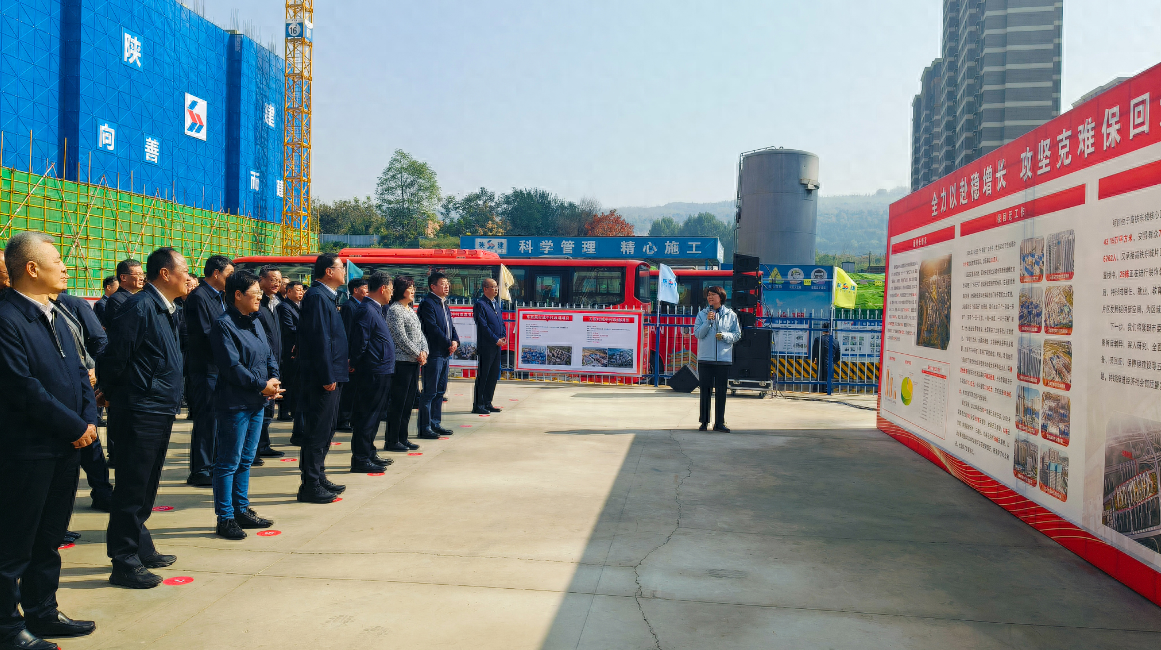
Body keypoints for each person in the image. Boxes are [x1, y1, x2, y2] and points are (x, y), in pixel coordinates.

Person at [0, 232, 99, 648]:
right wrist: (74, 427)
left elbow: (79, 373)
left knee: (49, 537)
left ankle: (42, 611)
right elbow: (22, 387)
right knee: (15, 544)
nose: (65, 267)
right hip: (29, 449)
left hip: (66, 446)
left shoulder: (56, 313)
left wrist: (89, 421)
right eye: (57, 260)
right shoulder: (7, 318)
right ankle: (7, 628)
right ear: (31, 268)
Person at [100, 247, 190, 589]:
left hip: (158, 407)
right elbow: (115, 356)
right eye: (184, 270)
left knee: (147, 485)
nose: (188, 276)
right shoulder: (139, 307)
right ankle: (123, 561)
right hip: (140, 409)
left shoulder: (165, 308)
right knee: (132, 487)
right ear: (165, 273)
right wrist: (111, 392)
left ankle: (139, 546)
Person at [209, 271, 282, 539]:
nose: (260, 297)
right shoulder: (223, 325)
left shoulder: (255, 320)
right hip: (235, 403)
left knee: (246, 459)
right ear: (238, 295)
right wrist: (261, 384)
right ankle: (225, 517)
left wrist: (273, 380)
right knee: (229, 461)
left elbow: (268, 354)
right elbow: (231, 366)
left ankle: (241, 509)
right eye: (256, 293)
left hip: (256, 401)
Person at [51, 291, 113, 512]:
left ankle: (102, 492)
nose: (65, 274)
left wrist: (95, 369)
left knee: (89, 441)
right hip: (52, 393)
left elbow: (96, 340)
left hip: (80, 386)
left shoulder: (67, 305)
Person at [295, 254, 348, 503]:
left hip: (333, 373)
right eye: (341, 267)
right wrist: (327, 374)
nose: (344, 272)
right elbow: (320, 339)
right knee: (317, 431)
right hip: (322, 377)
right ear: (328, 271)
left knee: (326, 429)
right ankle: (310, 484)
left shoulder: (327, 296)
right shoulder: (317, 297)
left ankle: (319, 475)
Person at [184, 256, 234, 487]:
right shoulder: (199, 297)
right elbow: (206, 334)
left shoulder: (220, 297)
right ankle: (201, 469)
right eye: (228, 274)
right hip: (206, 368)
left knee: (216, 419)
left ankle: (213, 463)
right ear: (216, 273)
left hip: (219, 367)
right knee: (206, 419)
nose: (231, 279)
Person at [348, 272, 395, 472]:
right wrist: (355, 362)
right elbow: (360, 341)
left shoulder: (376, 309)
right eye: (391, 289)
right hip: (372, 370)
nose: (392, 293)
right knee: (366, 416)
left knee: (375, 416)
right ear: (382, 289)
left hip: (381, 368)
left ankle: (369, 452)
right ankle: (360, 458)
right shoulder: (366, 309)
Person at [385, 277, 428, 451]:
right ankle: (392, 440)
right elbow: (400, 337)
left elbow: (420, 334)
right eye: (410, 287)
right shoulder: (395, 310)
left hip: (413, 362)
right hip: (401, 362)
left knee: (409, 402)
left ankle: (403, 437)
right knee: (398, 403)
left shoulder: (410, 309)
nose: (413, 290)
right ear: (401, 289)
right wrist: (418, 353)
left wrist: (424, 351)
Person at [693, 286, 741, 433]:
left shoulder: (730, 315)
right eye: (708, 295)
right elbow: (698, 334)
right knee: (705, 391)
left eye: (713, 294)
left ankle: (719, 423)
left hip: (723, 359)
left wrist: (725, 336)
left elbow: (737, 334)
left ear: (721, 297)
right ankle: (704, 421)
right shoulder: (702, 314)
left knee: (721, 392)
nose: (710, 297)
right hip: (705, 359)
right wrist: (707, 322)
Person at [417, 272, 458, 438]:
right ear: (433, 286)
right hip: (434, 353)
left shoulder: (444, 303)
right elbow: (432, 328)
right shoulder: (428, 304)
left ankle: (435, 423)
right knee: (430, 392)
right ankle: (425, 427)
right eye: (443, 283)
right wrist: (448, 343)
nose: (447, 286)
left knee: (440, 391)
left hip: (444, 353)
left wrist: (455, 340)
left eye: (447, 283)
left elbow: (450, 326)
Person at [254, 266, 285, 460]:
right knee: (260, 408)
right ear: (261, 280)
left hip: (274, 362)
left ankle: (264, 445)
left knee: (269, 408)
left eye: (279, 281)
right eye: (273, 279)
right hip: (261, 364)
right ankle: (255, 449)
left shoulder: (275, 303)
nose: (276, 283)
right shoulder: (258, 303)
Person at [336, 277, 368, 432]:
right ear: (355, 290)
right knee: (349, 390)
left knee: (356, 389)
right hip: (350, 355)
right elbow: (348, 332)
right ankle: (343, 419)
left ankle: (351, 418)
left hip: (357, 355)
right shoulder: (349, 306)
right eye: (365, 288)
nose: (367, 291)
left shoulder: (360, 305)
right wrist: (349, 357)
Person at [471, 278, 505, 415]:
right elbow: (483, 326)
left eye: (496, 286)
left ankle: (487, 402)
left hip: (497, 345)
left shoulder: (495, 303)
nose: (496, 289)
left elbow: (501, 322)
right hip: (487, 346)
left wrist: (503, 336)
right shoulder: (480, 305)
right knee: (484, 375)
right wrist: (495, 339)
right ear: (485, 289)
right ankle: (478, 404)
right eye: (493, 287)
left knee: (493, 375)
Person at [276, 281, 304, 424]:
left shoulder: (300, 306)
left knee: (296, 382)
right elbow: (289, 328)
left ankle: (292, 409)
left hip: (298, 349)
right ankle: (283, 411)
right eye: (298, 290)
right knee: (288, 381)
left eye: (302, 290)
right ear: (289, 291)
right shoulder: (284, 307)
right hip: (289, 349)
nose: (301, 292)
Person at [99, 259, 143, 327]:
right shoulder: (116, 300)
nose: (142, 278)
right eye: (138, 274)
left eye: (142, 274)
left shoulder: (140, 296)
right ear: (123, 277)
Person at [810, 322, 842, 393]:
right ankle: (828, 393)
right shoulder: (835, 341)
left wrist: (814, 359)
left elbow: (814, 352)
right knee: (828, 382)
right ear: (830, 330)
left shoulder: (818, 339)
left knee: (819, 382)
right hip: (830, 365)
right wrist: (832, 362)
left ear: (822, 329)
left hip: (820, 364)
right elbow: (838, 356)